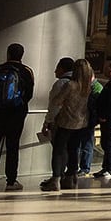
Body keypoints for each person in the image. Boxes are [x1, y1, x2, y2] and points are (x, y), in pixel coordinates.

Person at [0, 43, 35, 191]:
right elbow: (29, 94)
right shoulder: (26, 71)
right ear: (22, 55)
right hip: (16, 115)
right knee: (12, 147)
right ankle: (11, 181)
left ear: (8, 53)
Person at [41, 59, 91, 191]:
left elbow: (56, 101)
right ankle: (71, 176)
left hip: (66, 122)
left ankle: (56, 179)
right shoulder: (87, 87)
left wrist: (49, 120)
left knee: (58, 150)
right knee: (74, 150)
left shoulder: (70, 85)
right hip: (80, 123)